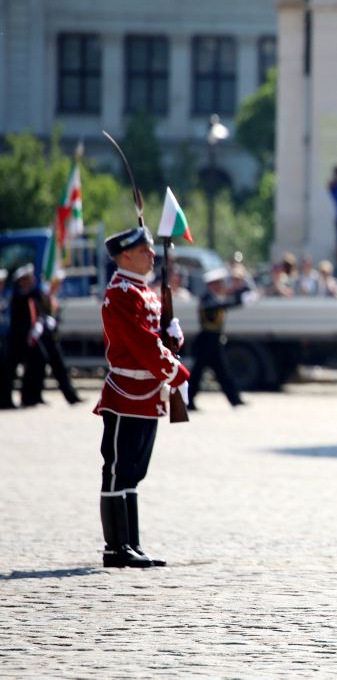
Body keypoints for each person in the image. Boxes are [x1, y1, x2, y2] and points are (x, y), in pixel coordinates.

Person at [95, 225, 190, 568]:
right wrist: (176, 371)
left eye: (151, 249)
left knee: (134, 471)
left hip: (148, 392)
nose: (152, 255)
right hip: (126, 391)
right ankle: (115, 548)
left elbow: (155, 339)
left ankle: (131, 543)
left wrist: (172, 337)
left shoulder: (144, 291)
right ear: (124, 256)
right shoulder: (121, 292)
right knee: (118, 469)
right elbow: (140, 344)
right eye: (144, 251)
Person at [188, 267, 254, 410]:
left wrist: (240, 291)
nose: (221, 286)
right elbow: (219, 305)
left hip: (214, 341)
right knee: (197, 373)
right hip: (206, 341)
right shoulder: (207, 298)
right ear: (212, 284)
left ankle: (234, 399)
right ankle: (188, 400)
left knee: (223, 372)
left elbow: (230, 303)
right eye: (218, 283)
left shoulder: (216, 297)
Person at [0, 264, 47, 408]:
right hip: (13, 338)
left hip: (21, 337)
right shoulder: (15, 296)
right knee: (7, 370)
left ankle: (29, 397)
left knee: (36, 363)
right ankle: (6, 400)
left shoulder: (27, 294)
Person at [34, 270, 81, 405]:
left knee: (58, 368)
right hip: (44, 338)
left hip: (52, 338)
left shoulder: (51, 297)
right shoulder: (43, 295)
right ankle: (35, 396)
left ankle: (70, 396)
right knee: (42, 367)